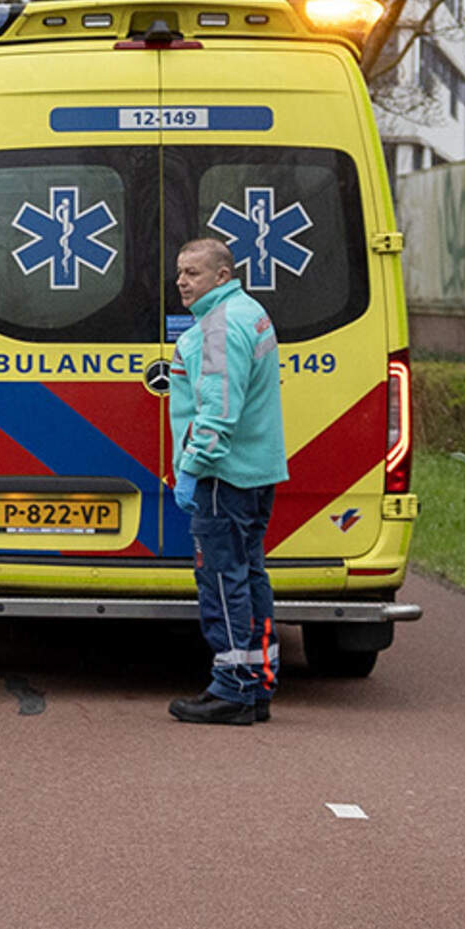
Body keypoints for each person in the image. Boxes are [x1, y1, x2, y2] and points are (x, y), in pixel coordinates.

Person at [168, 232, 288, 726]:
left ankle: (233, 689)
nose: (181, 281)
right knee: (250, 575)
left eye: (192, 272)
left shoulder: (218, 327)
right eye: (179, 272)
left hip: (224, 477)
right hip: (255, 472)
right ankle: (257, 682)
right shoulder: (249, 313)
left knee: (221, 581)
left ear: (222, 275)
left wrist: (192, 469)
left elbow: (217, 413)